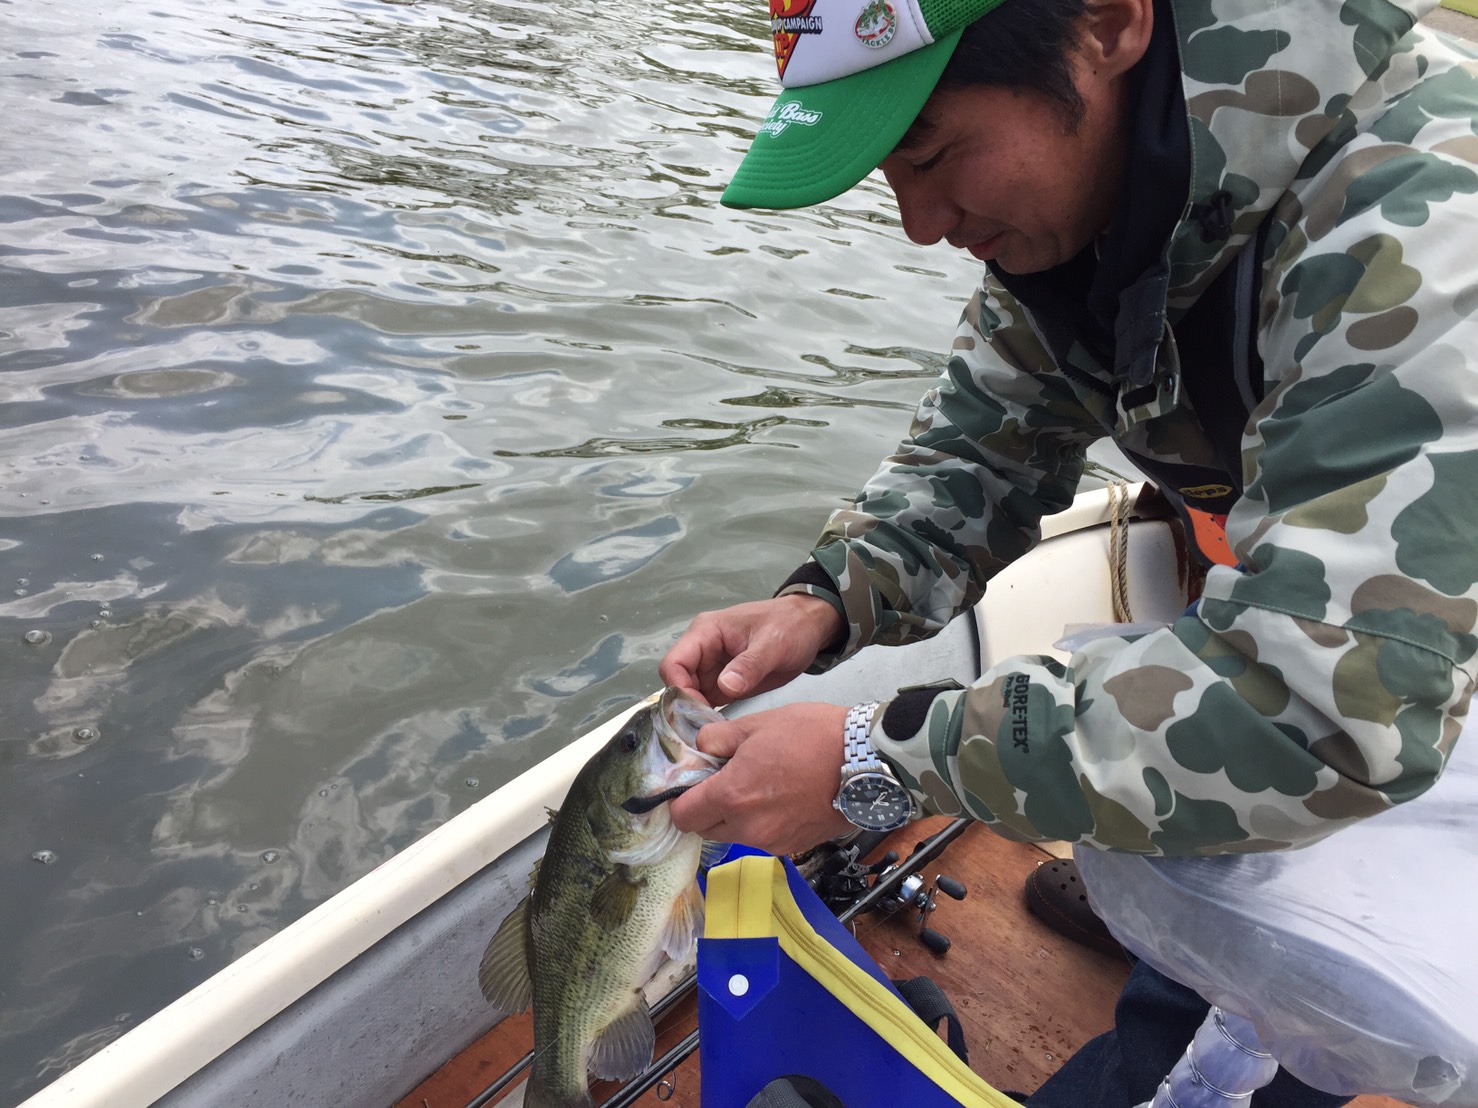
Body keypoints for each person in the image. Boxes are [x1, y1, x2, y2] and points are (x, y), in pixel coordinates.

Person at [660, 0, 1478, 1104]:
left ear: (1106, 21)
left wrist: (876, 762)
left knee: (1340, 1008)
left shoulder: (1419, 214)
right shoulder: (1102, 204)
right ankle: (1184, 974)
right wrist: (826, 600)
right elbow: (979, 447)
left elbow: (1324, 710)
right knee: (1190, 879)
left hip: (1404, 671)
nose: (917, 221)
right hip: (1350, 626)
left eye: (931, 151)